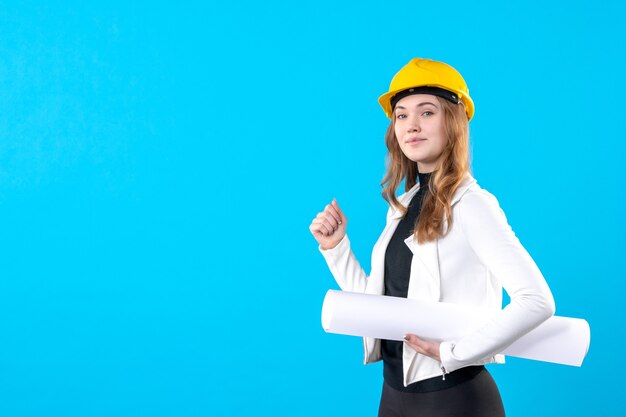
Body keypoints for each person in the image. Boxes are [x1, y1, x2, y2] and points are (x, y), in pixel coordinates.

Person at [309, 58, 556, 417]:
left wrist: (452, 353)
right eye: (401, 115)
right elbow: (381, 312)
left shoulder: (472, 205)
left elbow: (537, 300)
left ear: (453, 122)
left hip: (453, 400)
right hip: (393, 396)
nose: (411, 126)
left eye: (427, 112)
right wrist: (336, 249)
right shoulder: (403, 206)